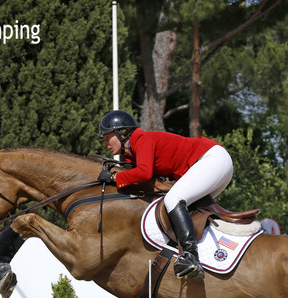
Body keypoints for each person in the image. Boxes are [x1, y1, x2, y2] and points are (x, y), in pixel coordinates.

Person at [98, 110, 234, 279]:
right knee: (190, 210)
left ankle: (191, 257)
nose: (105, 144)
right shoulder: (133, 152)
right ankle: (211, 254)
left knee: (173, 199)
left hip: (212, 159)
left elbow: (144, 172)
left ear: (122, 132)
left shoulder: (141, 138)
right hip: (217, 163)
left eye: (106, 137)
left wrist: (114, 177)